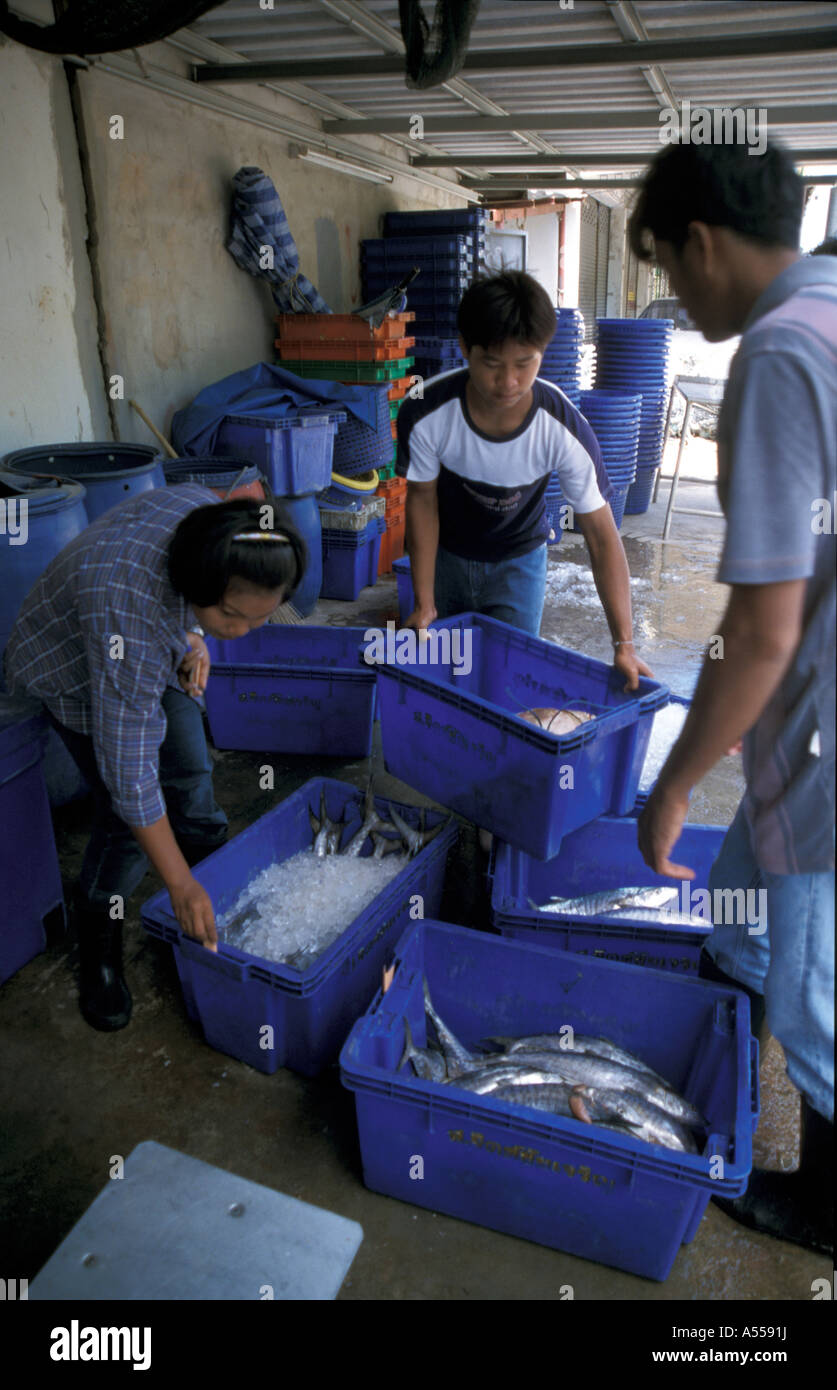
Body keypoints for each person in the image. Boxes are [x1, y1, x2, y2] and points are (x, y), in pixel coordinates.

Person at [630, 140, 835, 1256]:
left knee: (817, 999)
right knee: (741, 921)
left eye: (665, 260)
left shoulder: (779, 355)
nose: (672, 288)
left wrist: (671, 786)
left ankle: (823, 1202)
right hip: (801, 728)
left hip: (825, 739)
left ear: (700, 242)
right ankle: (716, 1086)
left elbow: (760, 632)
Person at [3, 486, 306, 1033]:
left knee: (190, 763)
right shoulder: (130, 616)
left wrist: (195, 634)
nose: (243, 632)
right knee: (124, 822)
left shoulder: (207, 516)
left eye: (259, 619)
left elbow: (199, 602)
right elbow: (130, 777)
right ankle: (99, 934)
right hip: (74, 664)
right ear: (197, 585)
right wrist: (178, 883)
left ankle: (213, 868)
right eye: (233, 617)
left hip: (159, 633)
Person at [396, 270, 652, 693]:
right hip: (447, 560)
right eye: (492, 364)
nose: (508, 382)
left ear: (543, 353)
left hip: (520, 562)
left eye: (525, 363)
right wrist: (424, 601)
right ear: (465, 349)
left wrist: (624, 643)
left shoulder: (563, 426)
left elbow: (603, 538)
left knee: (508, 683)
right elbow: (422, 501)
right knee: (443, 678)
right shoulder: (425, 413)